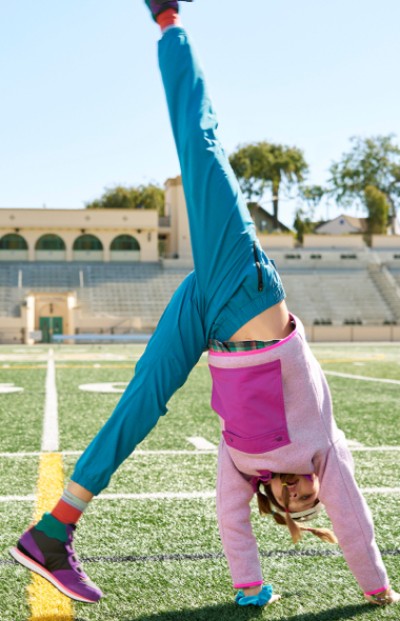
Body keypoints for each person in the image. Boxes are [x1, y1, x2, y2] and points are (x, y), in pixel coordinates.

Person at [10, 0, 399, 608]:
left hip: (214, 319)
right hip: (245, 295)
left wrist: (249, 587)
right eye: (313, 498)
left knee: (142, 400)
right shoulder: (324, 450)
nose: (309, 497)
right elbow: (350, 514)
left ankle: (53, 531)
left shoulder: (246, 469)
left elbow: (232, 522)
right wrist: (377, 586)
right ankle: (170, 23)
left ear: (280, 500)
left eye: (299, 504)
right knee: (204, 147)